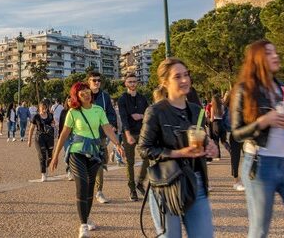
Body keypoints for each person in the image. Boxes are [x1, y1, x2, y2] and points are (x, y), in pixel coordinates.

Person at [231, 40, 284, 237]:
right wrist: (263, 121)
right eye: (269, 53)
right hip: (260, 163)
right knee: (259, 229)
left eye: (275, 51)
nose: (276, 56)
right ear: (257, 59)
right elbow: (236, 133)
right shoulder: (245, 89)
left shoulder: (282, 88)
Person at [138, 58, 218, 238]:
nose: (184, 80)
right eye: (177, 77)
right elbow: (143, 148)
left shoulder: (197, 111)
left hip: (195, 181)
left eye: (186, 75)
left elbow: (200, 143)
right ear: (164, 82)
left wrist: (210, 149)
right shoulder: (156, 111)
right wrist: (176, 153)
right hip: (166, 184)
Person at [49, 82, 124, 238]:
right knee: (82, 184)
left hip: (94, 153)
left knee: (90, 188)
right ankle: (83, 225)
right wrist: (55, 156)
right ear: (77, 96)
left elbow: (107, 128)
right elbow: (63, 134)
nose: (86, 94)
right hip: (77, 153)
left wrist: (117, 144)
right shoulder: (73, 113)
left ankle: (86, 216)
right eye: (82, 93)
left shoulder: (98, 110)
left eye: (87, 91)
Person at [86, 71, 118, 204]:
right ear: (89, 81)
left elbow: (111, 113)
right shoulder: (83, 95)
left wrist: (111, 124)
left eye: (98, 80)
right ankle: (86, 190)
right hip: (85, 136)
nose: (97, 82)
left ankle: (99, 191)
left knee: (100, 162)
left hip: (101, 136)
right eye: (94, 80)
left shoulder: (105, 96)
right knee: (86, 164)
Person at [117, 72, 149, 201]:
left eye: (134, 81)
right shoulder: (122, 99)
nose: (132, 84)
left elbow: (148, 113)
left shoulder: (142, 98)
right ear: (125, 83)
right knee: (129, 163)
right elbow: (124, 118)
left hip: (142, 133)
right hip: (128, 133)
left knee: (147, 157)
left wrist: (140, 116)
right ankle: (132, 189)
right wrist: (128, 134)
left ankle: (140, 182)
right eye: (130, 81)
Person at [28, 99, 55, 182]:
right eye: (42, 108)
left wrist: (53, 124)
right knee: (42, 155)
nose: (44, 109)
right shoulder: (36, 116)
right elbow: (31, 129)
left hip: (49, 137)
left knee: (50, 156)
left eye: (45, 108)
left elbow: (53, 123)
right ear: (39, 108)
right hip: (39, 138)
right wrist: (29, 140)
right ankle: (43, 173)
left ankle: (46, 167)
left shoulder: (50, 115)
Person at [224, 93, 244, 191]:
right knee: (235, 158)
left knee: (251, 157)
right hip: (236, 135)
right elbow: (227, 124)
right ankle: (236, 181)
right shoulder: (230, 109)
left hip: (246, 134)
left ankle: (246, 179)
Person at [209, 94, 230, 161]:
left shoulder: (213, 108)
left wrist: (208, 119)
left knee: (216, 141)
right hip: (222, 123)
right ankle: (231, 150)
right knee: (224, 141)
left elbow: (212, 119)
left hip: (215, 124)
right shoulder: (222, 106)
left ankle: (218, 156)